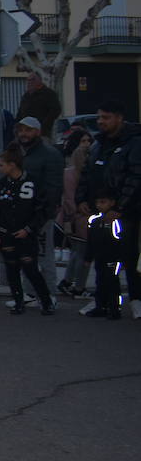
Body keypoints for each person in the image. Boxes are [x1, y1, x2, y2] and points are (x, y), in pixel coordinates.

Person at [75, 101, 140, 318]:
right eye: (99, 117)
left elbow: (135, 177)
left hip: (126, 214)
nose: (101, 121)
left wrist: (120, 207)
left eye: (106, 117)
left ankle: (135, 301)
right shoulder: (97, 145)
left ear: (119, 118)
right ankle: (102, 302)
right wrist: (81, 199)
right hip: (100, 212)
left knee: (129, 259)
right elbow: (86, 173)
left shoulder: (134, 143)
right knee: (102, 260)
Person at [0, 148, 55, 316]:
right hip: (6, 235)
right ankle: (18, 302)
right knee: (12, 270)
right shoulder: (0, 185)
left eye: (1, 165)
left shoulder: (33, 183)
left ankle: (46, 302)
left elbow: (42, 210)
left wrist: (29, 229)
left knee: (31, 269)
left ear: (13, 165)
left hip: (26, 236)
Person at [14, 116, 65, 295]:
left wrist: (44, 213)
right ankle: (29, 293)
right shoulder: (21, 153)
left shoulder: (50, 155)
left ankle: (49, 294)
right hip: (23, 215)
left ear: (38, 131)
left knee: (44, 257)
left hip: (41, 216)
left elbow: (54, 188)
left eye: (28, 130)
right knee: (27, 257)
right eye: (21, 130)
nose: (23, 134)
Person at [60, 130, 94, 297]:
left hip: (76, 217)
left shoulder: (70, 172)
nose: (86, 144)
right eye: (83, 140)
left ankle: (68, 282)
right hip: (80, 217)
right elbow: (68, 197)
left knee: (77, 253)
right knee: (83, 254)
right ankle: (78, 286)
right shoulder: (74, 173)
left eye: (88, 140)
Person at [83, 190, 126, 319]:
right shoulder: (94, 220)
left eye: (103, 202)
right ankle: (100, 306)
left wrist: (121, 258)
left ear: (112, 203)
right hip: (99, 257)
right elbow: (90, 241)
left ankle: (115, 309)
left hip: (112, 258)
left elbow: (121, 240)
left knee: (112, 283)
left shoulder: (116, 221)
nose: (100, 205)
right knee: (100, 282)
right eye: (98, 202)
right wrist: (88, 257)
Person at [15, 73, 62, 139]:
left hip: (41, 132)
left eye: (32, 80)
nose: (29, 82)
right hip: (25, 132)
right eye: (28, 80)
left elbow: (56, 110)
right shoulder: (26, 96)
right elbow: (20, 112)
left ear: (39, 80)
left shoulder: (48, 93)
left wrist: (44, 125)